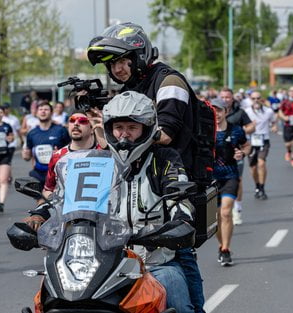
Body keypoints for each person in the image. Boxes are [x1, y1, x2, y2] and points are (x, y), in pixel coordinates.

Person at [25, 92, 196, 312]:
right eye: (119, 128)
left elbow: (179, 199)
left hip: (153, 263)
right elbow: (62, 199)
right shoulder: (95, 162)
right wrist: (39, 215)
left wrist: (179, 222)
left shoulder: (163, 160)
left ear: (146, 129)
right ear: (109, 130)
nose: (124, 135)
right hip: (99, 265)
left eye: (132, 128)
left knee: (179, 299)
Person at [87, 22, 206, 313]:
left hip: (173, 178)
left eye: (121, 61)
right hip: (136, 177)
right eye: (111, 65)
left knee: (180, 255)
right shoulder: (132, 87)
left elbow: (165, 133)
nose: (117, 70)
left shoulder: (169, 82)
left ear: (138, 56)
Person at [212, 99, 250, 266]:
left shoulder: (236, 130)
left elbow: (247, 145)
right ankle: (221, 244)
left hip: (230, 176)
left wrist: (242, 153)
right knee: (214, 218)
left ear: (225, 112)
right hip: (210, 179)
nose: (217, 114)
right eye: (213, 111)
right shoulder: (205, 131)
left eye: (219, 110)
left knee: (226, 212)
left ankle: (226, 249)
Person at [43, 112, 100, 199]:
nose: (76, 124)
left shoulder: (104, 153)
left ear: (92, 129)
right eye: (72, 120)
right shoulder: (57, 156)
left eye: (83, 121)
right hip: (66, 211)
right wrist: (53, 199)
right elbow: (48, 189)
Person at [219, 87, 255, 225]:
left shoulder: (239, 113)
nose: (225, 100)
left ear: (232, 98)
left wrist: (244, 130)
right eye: (222, 97)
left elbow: (251, 126)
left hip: (235, 154)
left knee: (237, 179)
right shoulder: (213, 112)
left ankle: (237, 209)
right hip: (217, 156)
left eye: (227, 97)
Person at [22, 102, 70, 191]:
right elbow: (27, 157)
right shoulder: (32, 133)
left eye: (46, 109)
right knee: (41, 202)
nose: (43, 111)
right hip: (38, 173)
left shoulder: (60, 130)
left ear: (51, 113)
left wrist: (60, 154)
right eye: (40, 109)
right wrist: (25, 155)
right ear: (36, 113)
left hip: (57, 173)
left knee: (56, 203)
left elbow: (71, 150)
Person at [245, 91, 277, 200]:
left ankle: (262, 188)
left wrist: (274, 127)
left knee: (261, 163)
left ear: (261, 99)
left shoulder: (268, 111)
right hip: (250, 142)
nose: (256, 100)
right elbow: (242, 127)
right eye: (253, 98)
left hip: (264, 140)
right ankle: (257, 186)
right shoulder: (247, 112)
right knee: (253, 167)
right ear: (250, 99)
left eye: (258, 98)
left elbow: (274, 121)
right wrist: (249, 128)